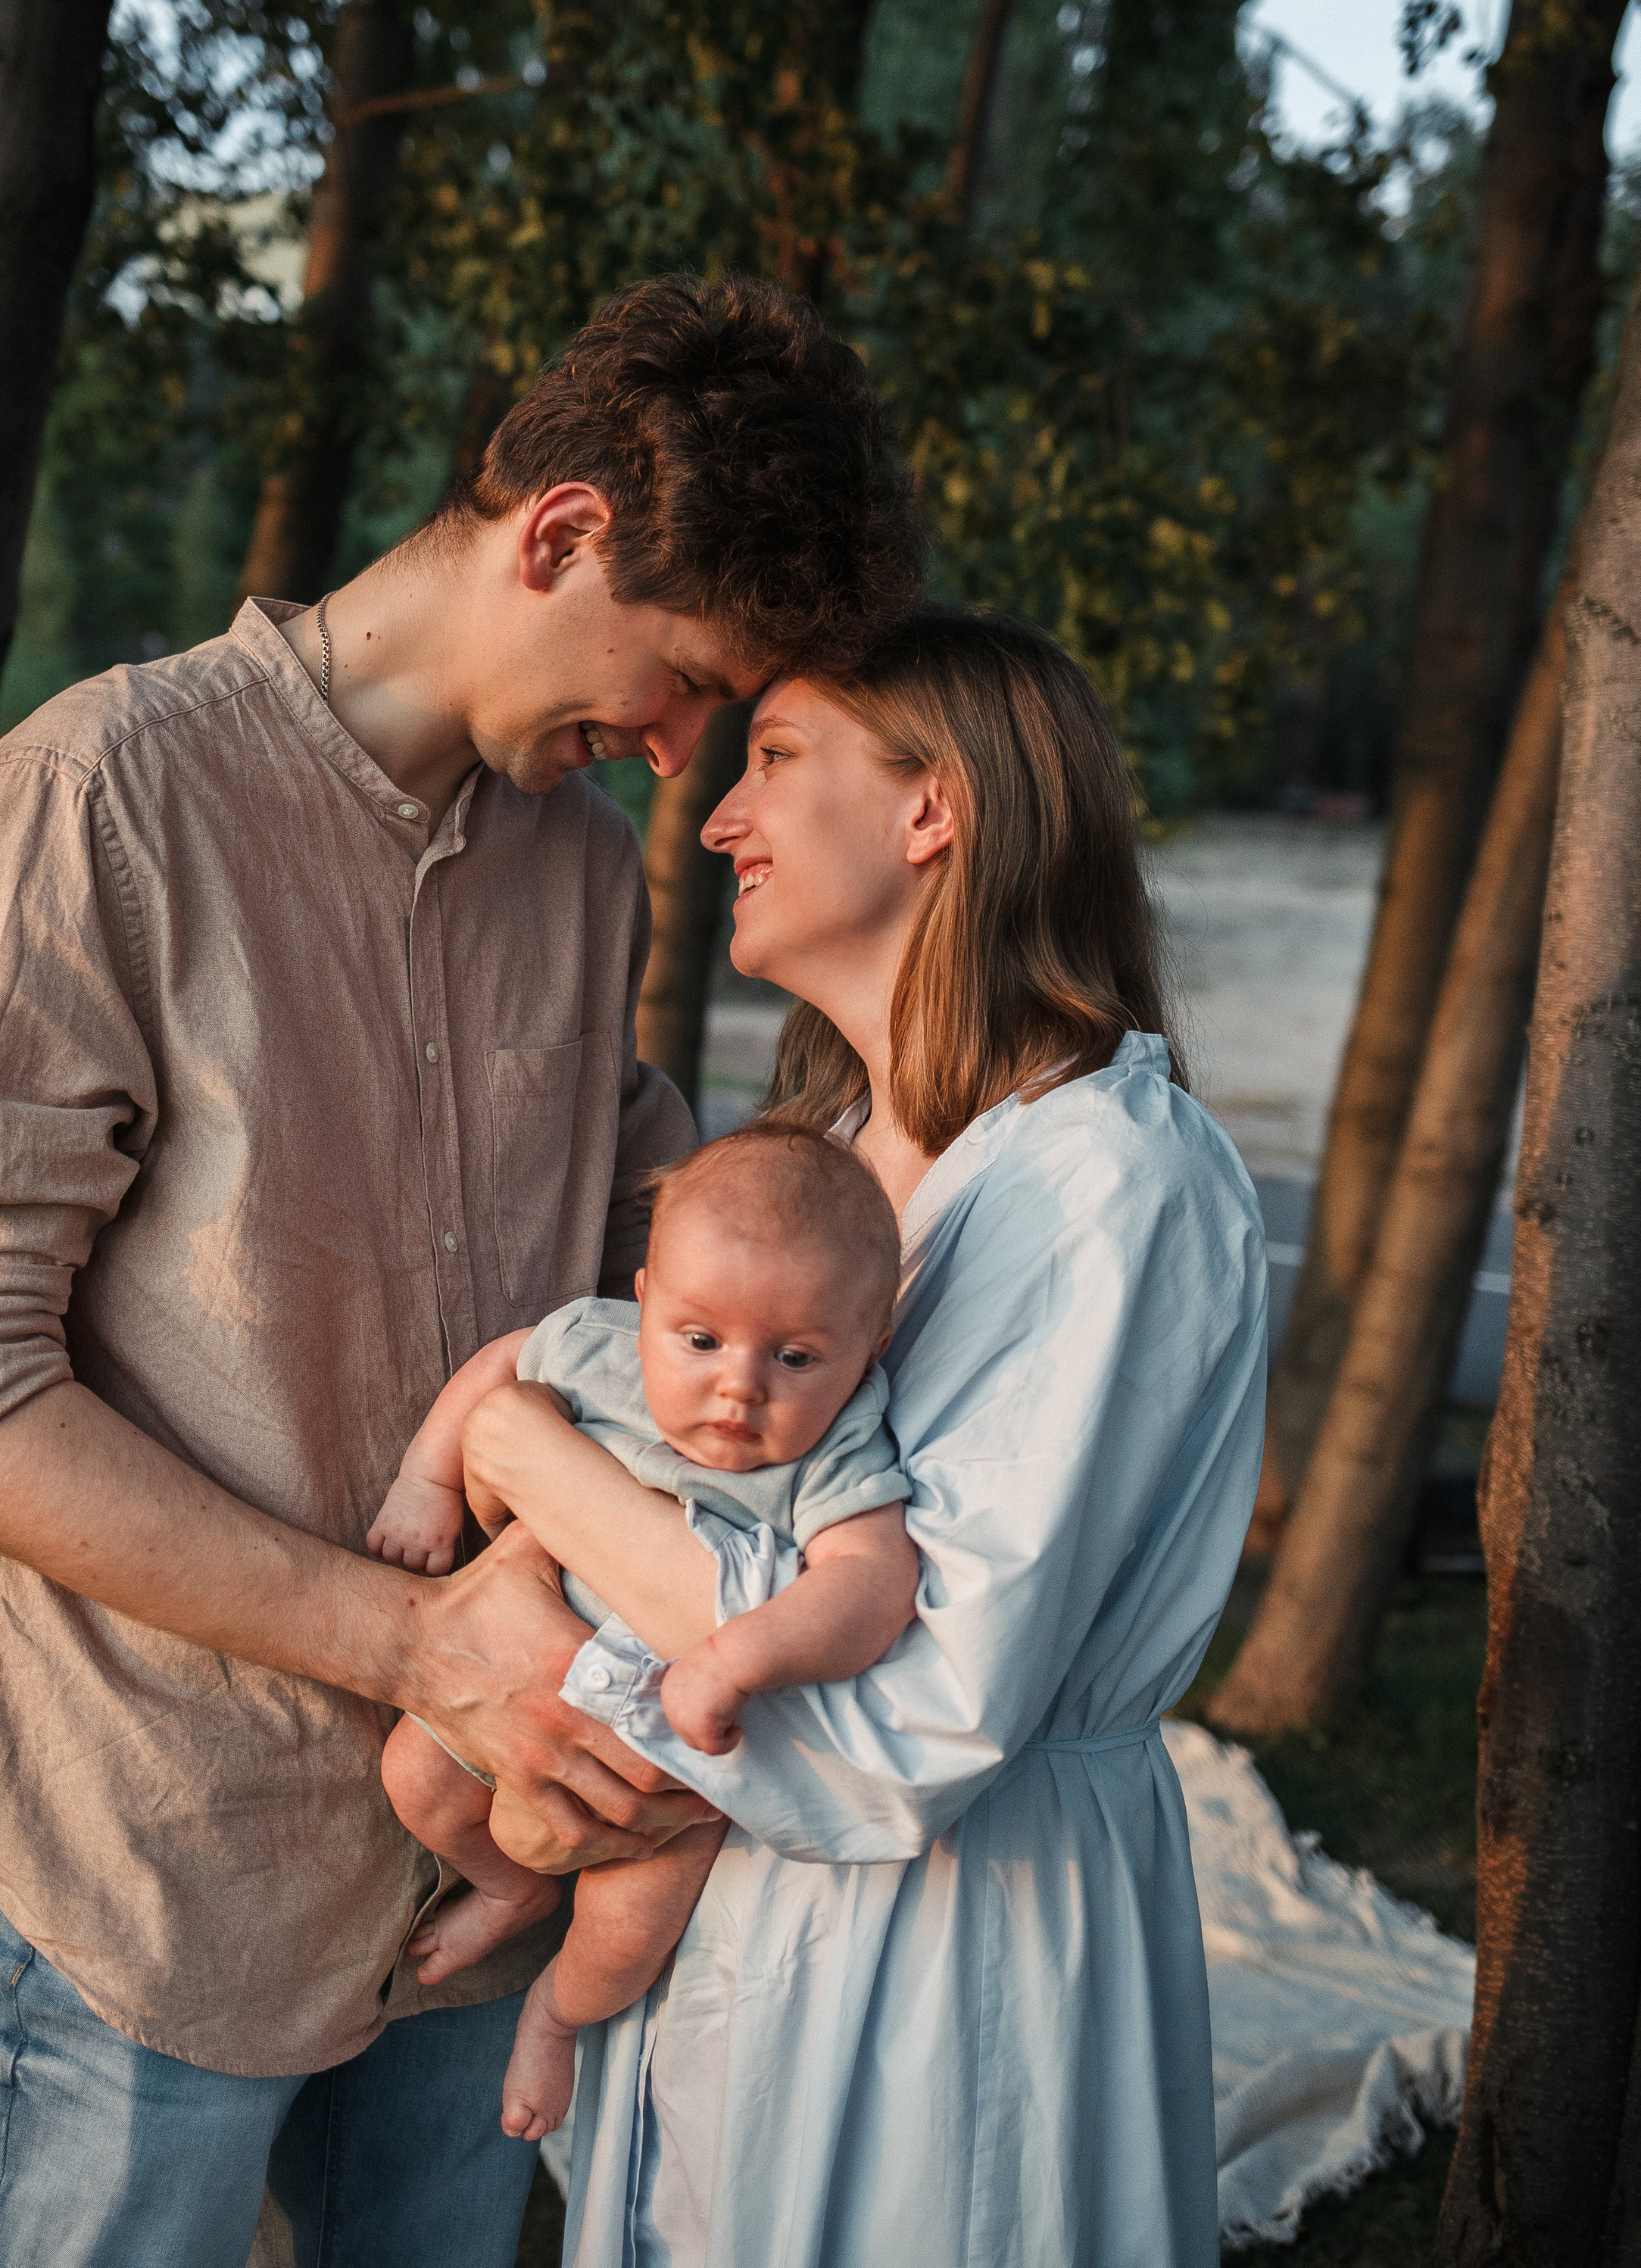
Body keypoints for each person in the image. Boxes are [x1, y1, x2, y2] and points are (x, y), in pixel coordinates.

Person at [0, 272, 925, 2268]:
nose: (681, 759)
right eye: (680, 682)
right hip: (152, 1867)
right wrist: (414, 1645)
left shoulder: (575, 872)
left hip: (481, 1860)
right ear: (560, 534)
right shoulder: (107, 796)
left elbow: (634, 1277)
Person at [466, 607, 1270, 2268]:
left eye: (771, 759)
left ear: (932, 810)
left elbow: (913, 1715)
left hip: (957, 1946)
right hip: (742, 1910)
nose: (715, 818)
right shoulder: (826, 1163)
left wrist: (528, 1456)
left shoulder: (1102, 1181)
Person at [367, 1124, 918, 2139]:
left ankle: (554, 2016)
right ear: (645, 1297)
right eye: (698, 1340)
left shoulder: (842, 1440)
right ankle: (507, 1890)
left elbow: (873, 1582)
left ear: (869, 1346)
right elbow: (500, 1366)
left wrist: (741, 1655)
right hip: (516, 1664)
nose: (739, 1386)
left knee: (628, 1929)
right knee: (415, 1780)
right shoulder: (597, 1345)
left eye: (794, 1356)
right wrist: (426, 1479)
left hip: (672, 1758)